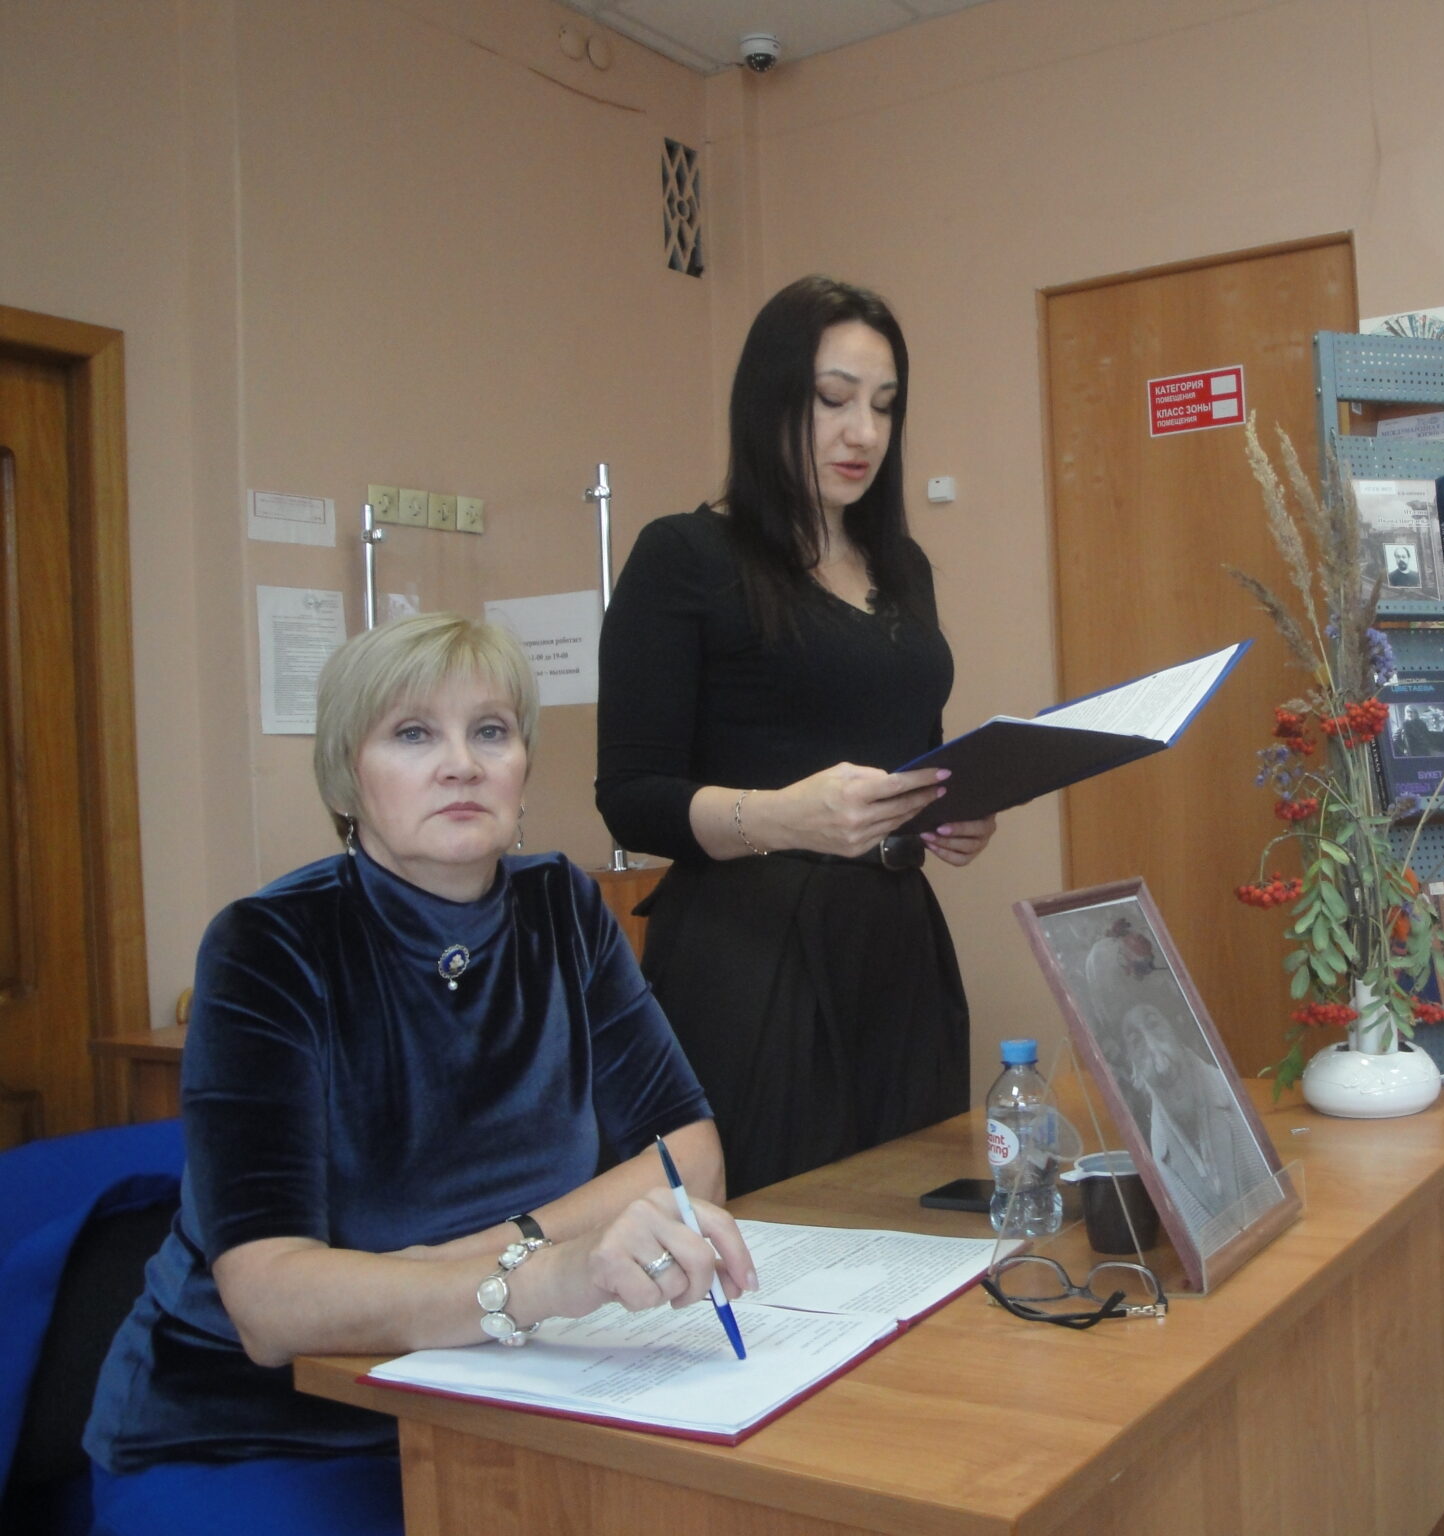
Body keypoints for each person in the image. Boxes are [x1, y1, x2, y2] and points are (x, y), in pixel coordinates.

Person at [84, 614, 754, 1536]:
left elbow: (691, 1157)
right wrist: (542, 1278)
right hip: (263, 1426)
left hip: (502, 1394)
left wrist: (485, 1254)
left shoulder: (562, 906)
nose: (461, 765)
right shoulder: (270, 945)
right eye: (412, 734)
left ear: (522, 767)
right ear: (346, 776)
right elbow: (270, 1304)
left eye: (491, 731)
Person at [597, 275, 995, 1198]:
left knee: (916, 1216)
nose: (864, 432)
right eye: (833, 400)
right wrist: (785, 816)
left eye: (884, 407)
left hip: (897, 941)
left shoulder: (902, 568)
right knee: (785, 1227)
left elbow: (910, 748)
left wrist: (953, 806)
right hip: (753, 951)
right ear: (769, 398)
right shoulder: (686, 556)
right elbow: (631, 796)